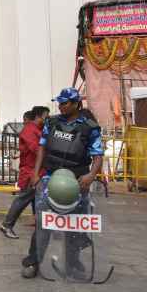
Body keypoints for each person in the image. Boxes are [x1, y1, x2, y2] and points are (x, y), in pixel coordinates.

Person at [21, 88, 104, 278]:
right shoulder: (52, 122)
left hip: (77, 181)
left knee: (75, 224)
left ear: (76, 104)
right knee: (43, 221)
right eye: (60, 103)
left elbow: (98, 155)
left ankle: (72, 262)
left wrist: (91, 176)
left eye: (65, 103)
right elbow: (42, 147)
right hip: (51, 177)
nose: (61, 106)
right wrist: (36, 174)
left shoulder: (89, 127)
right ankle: (34, 261)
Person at [0, 106, 48, 239]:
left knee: (36, 199)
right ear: (38, 116)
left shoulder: (38, 130)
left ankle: (40, 225)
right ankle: (7, 225)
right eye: (45, 116)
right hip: (31, 172)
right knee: (23, 198)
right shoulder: (30, 130)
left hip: (38, 171)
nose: (47, 119)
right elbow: (37, 150)